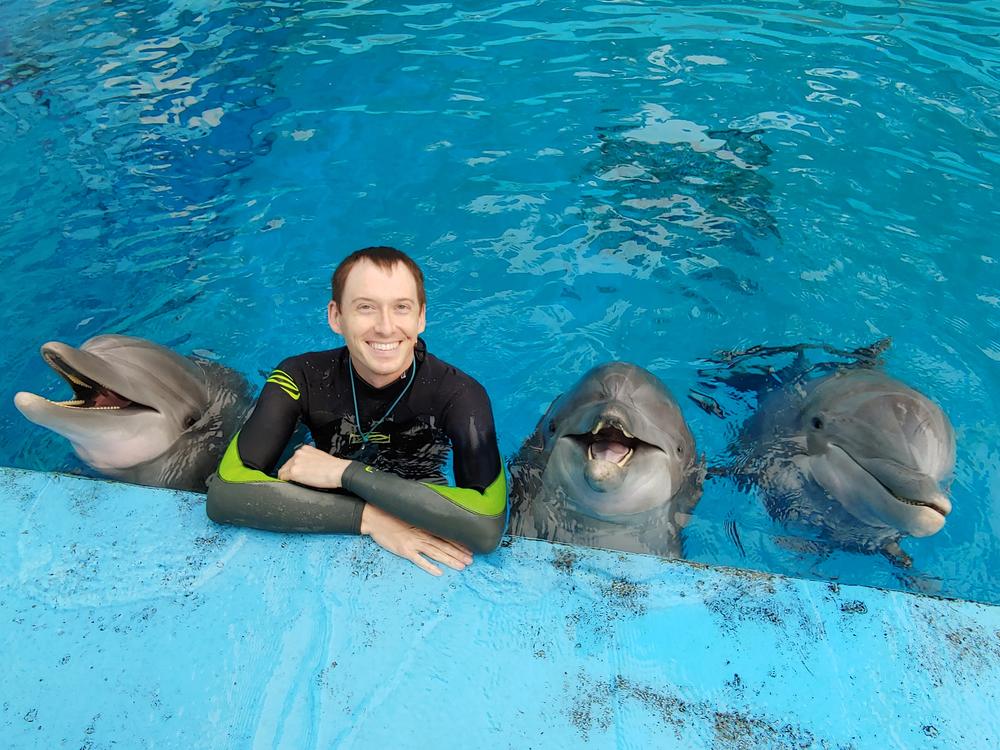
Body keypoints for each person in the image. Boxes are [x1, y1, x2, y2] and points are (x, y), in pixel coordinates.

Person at [206, 246, 507, 575]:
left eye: (401, 308)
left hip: (419, 489)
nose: (386, 327)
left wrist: (344, 473)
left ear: (421, 317)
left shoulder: (460, 394)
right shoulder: (299, 377)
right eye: (366, 308)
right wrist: (369, 518)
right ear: (336, 316)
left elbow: (486, 524)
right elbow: (226, 492)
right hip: (344, 497)